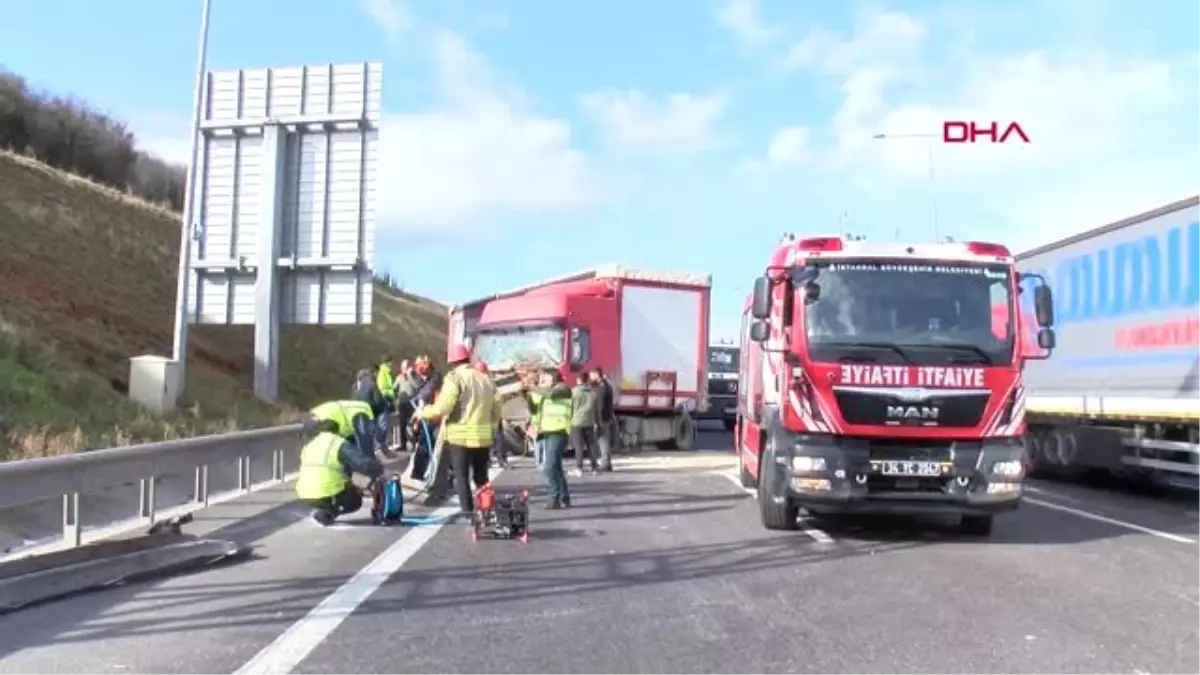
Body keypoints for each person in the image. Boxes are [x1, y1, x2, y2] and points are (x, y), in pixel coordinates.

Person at [412, 345, 502, 514]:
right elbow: (497, 405)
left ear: (452, 362)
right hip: (483, 437)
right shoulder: (485, 379)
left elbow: (442, 408)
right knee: (482, 477)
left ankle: (469, 514)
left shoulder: (454, 378)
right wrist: (491, 425)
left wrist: (422, 412)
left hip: (460, 437)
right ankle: (487, 510)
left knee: (462, 477)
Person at [299, 401, 384, 525]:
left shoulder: (310, 444)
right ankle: (328, 513)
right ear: (338, 430)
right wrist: (379, 469)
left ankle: (324, 507)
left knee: (344, 483)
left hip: (305, 493)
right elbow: (363, 463)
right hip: (323, 492)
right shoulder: (337, 442)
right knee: (354, 498)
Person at [529, 368, 573, 509]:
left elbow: (551, 394)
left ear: (554, 378)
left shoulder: (563, 389)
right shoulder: (544, 393)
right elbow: (534, 409)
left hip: (559, 431)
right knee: (556, 467)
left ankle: (553, 498)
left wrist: (534, 387)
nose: (542, 383)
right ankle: (564, 497)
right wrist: (529, 394)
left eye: (544, 380)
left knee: (549, 467)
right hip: (546, 432)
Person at [570, 372, 600, 476]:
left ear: (579, 380)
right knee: (591, 445)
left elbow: (570, 407)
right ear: (587, 380)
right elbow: (597, 410)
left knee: (579, 446)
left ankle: (579, 468)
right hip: (590, 422)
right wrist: (597, 421)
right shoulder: (593, 393)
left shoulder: (574, 392)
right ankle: (594, 468)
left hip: (577, 422)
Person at [592, 367, 616, 472]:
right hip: (608, 416)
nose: (590, 377)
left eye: (592, 375)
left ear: (597, 375)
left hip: (603, 418)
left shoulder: (601, 387)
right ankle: (608, 464)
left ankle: (605, 463)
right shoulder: (607, 385)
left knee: (603, 440)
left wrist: (598, 420)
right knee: (605, 440)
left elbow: (600, 405)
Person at [374, 356, 397, 452]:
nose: (392, 364)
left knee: (385, 423)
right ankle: (380, 445)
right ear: (387, 362)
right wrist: (390, 395)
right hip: (385, 400)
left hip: (388, 399)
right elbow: (383, 388)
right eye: (391, 362)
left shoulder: (387, 372)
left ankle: (382, 444)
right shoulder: (383, 373)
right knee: (383, 423)